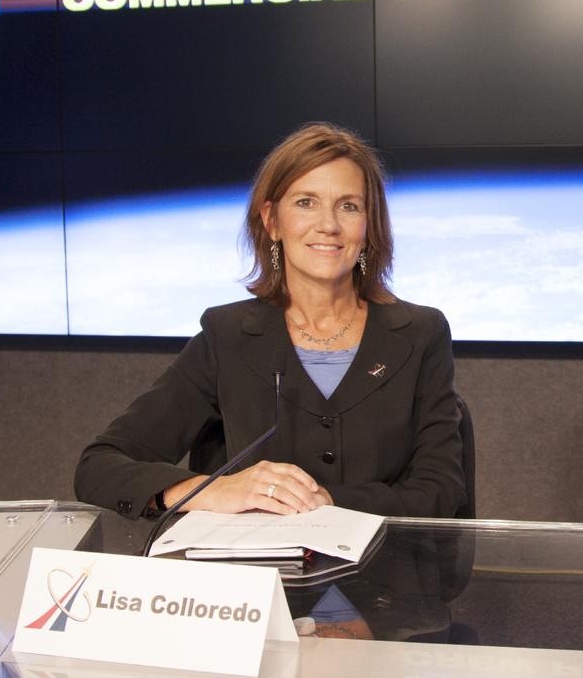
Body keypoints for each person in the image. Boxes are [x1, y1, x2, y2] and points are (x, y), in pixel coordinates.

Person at [75, 123, 465, 520]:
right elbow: (100, 466)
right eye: (305, 202)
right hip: (260, 579)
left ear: (368, 227)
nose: (328, 224)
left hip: (385, 574)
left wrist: (328, 501)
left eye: (349, 205)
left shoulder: (420, 333)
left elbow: (442, 491)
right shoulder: (225, 336)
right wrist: (213, 490)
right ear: (272, 220)